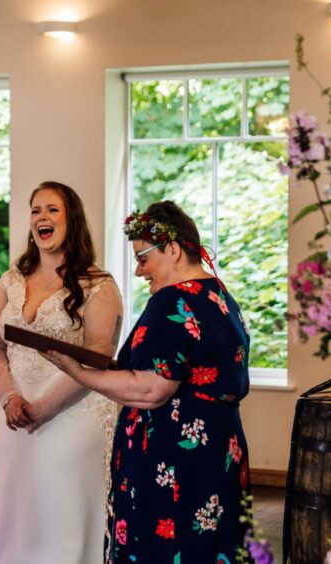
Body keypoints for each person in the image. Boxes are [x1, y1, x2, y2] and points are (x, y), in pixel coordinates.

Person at [43, 201, 251, 563]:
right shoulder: (218, 294)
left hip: (174, 459)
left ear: (172, 250)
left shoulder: (173, 300)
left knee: (171, 549)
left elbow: (152, 389)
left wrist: (79, 372)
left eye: (143, 258)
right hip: (219, 450)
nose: (140, 271)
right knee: (212, 545)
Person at [0, 181, 123, 564]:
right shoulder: (11, 281)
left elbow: (97, 354)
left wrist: (44, 407)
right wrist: (10, 397)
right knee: (20, 519)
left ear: (70, 219)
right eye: (35, 210)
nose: (42, 217)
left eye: (52, 210)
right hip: (15, 419)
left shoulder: (98, 285)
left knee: (62, 521)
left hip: (72, 420)